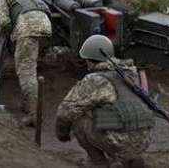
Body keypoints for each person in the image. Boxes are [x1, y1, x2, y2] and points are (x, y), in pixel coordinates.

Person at [55, 35, 155, 168]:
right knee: (106, 111)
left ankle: (98, 162)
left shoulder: (94, 80)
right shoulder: (130, 72)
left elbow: (65, 112)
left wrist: (62, 134)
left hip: (121, 142)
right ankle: (129, 158)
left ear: (88, 60)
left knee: (79, 119)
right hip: (144, 140)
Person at [0, 0, 52, 126]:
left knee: (26, 70)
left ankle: (34, 115)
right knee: (30, 65)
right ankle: (27, 103)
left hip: (27, 28)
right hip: (45, 25)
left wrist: (9, 35)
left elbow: (3, 22)